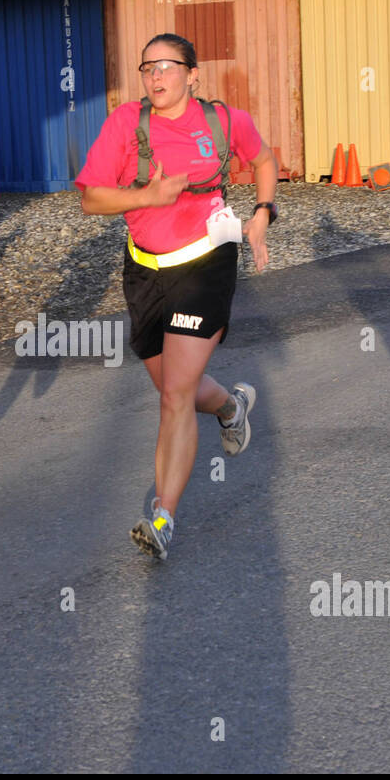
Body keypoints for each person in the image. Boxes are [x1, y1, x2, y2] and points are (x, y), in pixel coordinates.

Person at [75, 33, 279, 560]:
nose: (156, 77)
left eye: (167, 67)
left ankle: (162, 516)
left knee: (173, 397)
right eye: (147, 68)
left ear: (193, 74)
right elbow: (90, 200)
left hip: (206, 266)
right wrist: (148, 196)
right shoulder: (126, 124)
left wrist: (262, 214)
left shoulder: (223, 122)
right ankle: (232, 406)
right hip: (144, 271)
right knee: (174, 387)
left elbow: (263, 160)